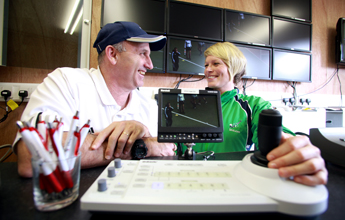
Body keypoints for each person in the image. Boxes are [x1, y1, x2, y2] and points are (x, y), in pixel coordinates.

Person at [13, 21, 176, 177]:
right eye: (142, 54)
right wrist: (140, 146)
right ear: (112, 54)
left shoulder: (147, 104)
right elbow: (31, 155)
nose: (150, 64)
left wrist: (145, 137)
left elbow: (168, 148)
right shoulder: (65, 82)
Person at [184, 42, 328, 186]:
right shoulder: (191, 103)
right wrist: (162, 143)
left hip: (232, 181)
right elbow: (174, 142)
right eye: (206, 65)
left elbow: (276, 137)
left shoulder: (253, 105)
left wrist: (292, 148)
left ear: (234, 67)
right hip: (188, 179)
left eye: (215, 63)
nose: (208, 70)